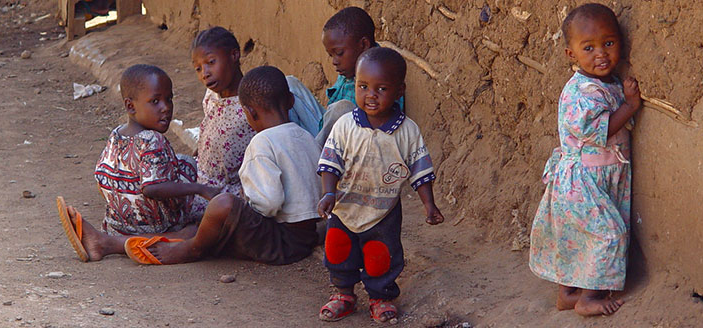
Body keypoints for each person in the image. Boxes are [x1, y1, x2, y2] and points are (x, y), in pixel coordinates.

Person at [99, 65, 322, 266]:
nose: (166, 107)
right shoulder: (306, 136)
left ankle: (191, 249)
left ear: (250, 113)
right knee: (211, 217)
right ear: (291, 102)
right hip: (306, 236)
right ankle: (180, 239)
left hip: (279, 242)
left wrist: (242, 208)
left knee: (223, 206)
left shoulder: (262, 143)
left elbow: (269, 204)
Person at [315, 47, 445, 324]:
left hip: (383, 211)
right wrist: (328, 192)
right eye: (363, 87)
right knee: (339, 249)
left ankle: (379, 297)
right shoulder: (345, 126)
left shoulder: (407, 131)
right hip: (344, 207)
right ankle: (344, 294)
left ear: (399, 91)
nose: (370, 95)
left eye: (381, 88)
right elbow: (330, 162)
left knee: (380, 256)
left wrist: (429, 204)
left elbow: (420, 170)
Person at [528, 3, 641, 317]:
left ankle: (567, 294)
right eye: (588, 47)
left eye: (608, 43)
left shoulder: (606, 82)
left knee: (578, 237)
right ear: (571, 55)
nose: (601, 54)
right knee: (609, 234)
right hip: (583, 182)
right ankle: (587, 299)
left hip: (598, 176)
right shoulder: (582, 92)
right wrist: (630, 106)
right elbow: (600, 131)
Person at [56, 64, 220, 262]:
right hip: (156, 225)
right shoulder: (152, 140)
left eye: (169, 99)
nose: (166, 107)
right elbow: (152, 188)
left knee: (182, 162)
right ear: (130, 106)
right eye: (155, 101)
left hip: (118, 222)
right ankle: (109, 244)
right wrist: (199, 189)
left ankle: (111, 239)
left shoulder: (116, 134)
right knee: (198, 230)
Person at [315, 6, 404, 146]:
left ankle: (313, 160)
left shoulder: (383, 69)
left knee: (341, 109)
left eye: (339, 53)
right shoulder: (350, 67)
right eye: (331, 55)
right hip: (326, 132)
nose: (334, 61)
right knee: (291, 86)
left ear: (363, 44)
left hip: (360, 145)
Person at [190, 26, 255, 197]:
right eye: (198, 68)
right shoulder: (211, 96)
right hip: (203, 178)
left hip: (228, 192)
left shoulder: (253, 103)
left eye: (211, 62)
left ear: (234, 55)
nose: (205, 74)